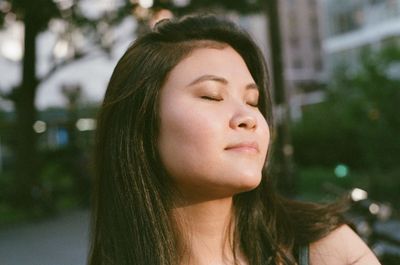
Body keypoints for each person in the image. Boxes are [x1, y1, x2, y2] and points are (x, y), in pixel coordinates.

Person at [87, 14, 381, 265]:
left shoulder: (323, 250)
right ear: (142, 125)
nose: (248, 117)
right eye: (212, 96)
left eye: (252, 101)